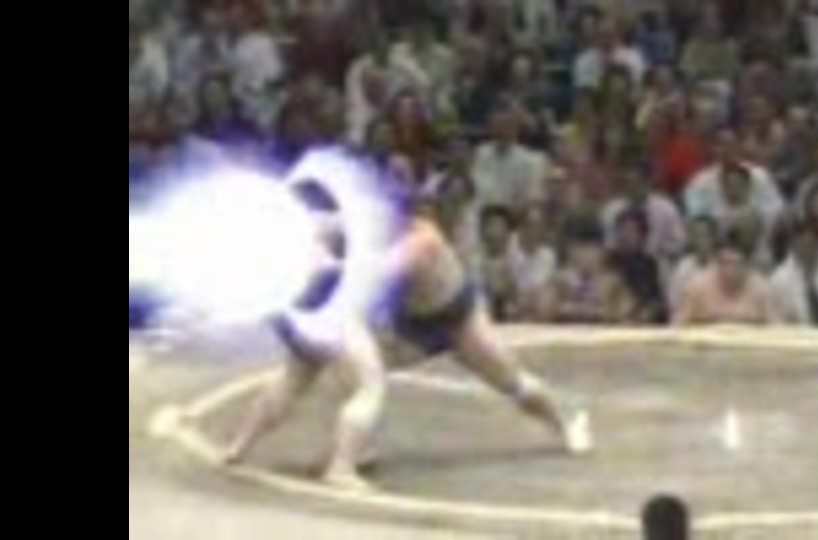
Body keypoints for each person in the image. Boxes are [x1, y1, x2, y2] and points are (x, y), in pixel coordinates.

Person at [222, 185, 592, 491]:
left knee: (514, 383)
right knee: (312, 370)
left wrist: (329, 263)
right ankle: (250, 447)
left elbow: (376, 275)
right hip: (404, 324)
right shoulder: (364, 231)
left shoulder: (421, 241)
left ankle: (564, 424)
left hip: (455, 321)